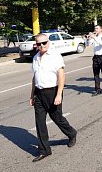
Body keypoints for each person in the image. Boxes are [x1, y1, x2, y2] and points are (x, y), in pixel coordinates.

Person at [29, 33, 77, 162]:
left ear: (48, 42)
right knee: (39, 122)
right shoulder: (35, 58)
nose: (42, 45)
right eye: (39, 44)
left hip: (53, 92)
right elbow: (34, 78)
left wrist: (59, 94)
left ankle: (72, 133)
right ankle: (45, 150)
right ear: (36, 45)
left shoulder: (55, 56)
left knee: (57, 118)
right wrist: (32, 95)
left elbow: (61, 75)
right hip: (39, 93)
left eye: (44, 43)